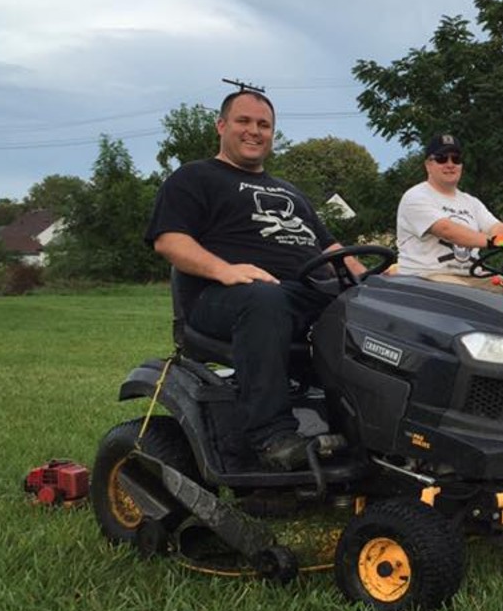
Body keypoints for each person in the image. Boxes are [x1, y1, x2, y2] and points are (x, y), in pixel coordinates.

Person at [145, 89, 365, 471]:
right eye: (244, 121)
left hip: (302, 292)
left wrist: (373, 281)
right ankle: (272, 437)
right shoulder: (195, 178)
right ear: (221, 126)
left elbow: (330, 247)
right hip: (222, 297)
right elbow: (169, 240)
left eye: (264, 125)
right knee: (264, 299)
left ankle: (377, 431)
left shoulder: (290, 192)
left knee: (376, 312)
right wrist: (226, 271)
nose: (254, 131)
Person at [395, 134, 503, 288]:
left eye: (456, 159)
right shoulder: (416, 196)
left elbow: (496, 227)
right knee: (470, 298)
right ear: (428, 165)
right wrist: (491, 242)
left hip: (473, 277)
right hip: (426, 278)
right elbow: (446, 230)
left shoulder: (470, 202)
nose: (450, 164)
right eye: (442, 158)